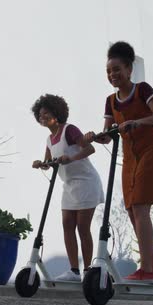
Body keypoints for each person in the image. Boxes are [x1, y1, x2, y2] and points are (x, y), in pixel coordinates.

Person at [85, 41, 153, 284]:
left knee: (141, 208)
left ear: (129, 69)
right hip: (129, 158)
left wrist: (138, 122)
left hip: (151, 153)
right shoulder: (110, 101)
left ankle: (146, 270)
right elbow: (108, 134)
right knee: (133, 212)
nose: (112, 75)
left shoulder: (142, 89)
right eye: (108, 71)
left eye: (117, 69)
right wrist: (96, 137)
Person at [31, 94, 104, 282]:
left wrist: (70, 158)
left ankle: (88, 271)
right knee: (67, 225)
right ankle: (74, 271)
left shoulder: (69, 130)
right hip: (69, 185)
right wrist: (41, 163)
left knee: (82, 227)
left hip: (86, 182)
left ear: (57, 113)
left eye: (46, 113)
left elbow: (89, 149)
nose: (43, 117)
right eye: (40, 115)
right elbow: (50, 163)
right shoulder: (49, 139)